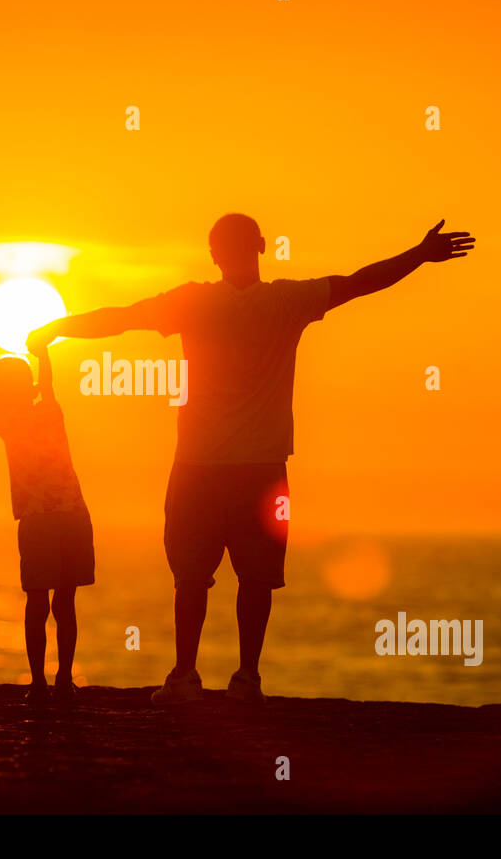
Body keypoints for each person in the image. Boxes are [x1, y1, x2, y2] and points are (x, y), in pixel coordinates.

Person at [31, 215, 474, 705]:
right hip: (263, 471)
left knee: (192, 577)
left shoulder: (194, 302)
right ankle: (247, 678)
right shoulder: (288, 301)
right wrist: (419, 253)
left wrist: (56, 328)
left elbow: (121, 317)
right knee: (257, 579)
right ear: (261, 245)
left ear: (214, 253)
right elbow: (361, 282)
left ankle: (184, 677)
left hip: (198, 467)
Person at [0, 338, 94, 705]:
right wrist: (41, 351)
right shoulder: (49, 411)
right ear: (29, 388)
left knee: (37, 604)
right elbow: (47, 380)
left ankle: (41, 684)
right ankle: (61, 680)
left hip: (40, 522)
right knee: (65, 604)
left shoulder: (5, 420)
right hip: (73, 515)